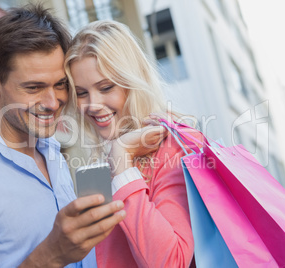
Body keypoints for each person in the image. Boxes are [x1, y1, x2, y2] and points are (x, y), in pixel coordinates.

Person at [0, 5, 126, 268]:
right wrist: (52, 254)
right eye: (34, 87)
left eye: (60, 85)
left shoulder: (53, 151)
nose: (52, 103)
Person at [64, 20, 196, 267]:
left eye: (105, 87)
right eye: (81, 93)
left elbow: (172, 261)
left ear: (132, 81)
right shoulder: (104, 156)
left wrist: (122, 160)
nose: (92, 104)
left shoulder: (172, 146)